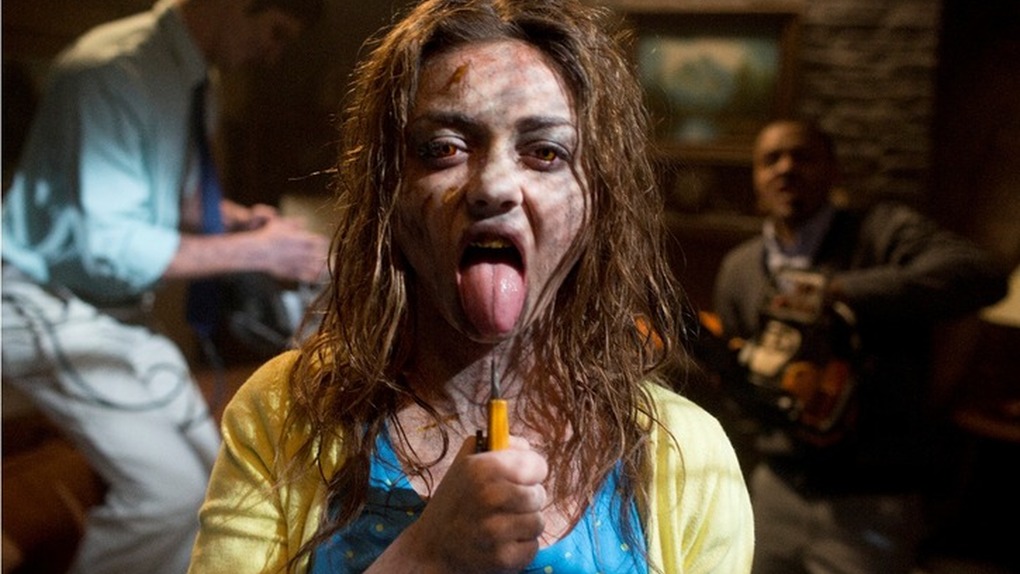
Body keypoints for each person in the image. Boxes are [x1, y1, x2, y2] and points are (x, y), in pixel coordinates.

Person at [187, 0, 755, 572]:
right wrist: (425, 556)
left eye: (545, 153)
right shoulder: (285, 411)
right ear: (389, 191)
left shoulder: (686, 455)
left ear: (597, 203)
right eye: (444, 149)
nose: (493, 186)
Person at [0, 0, 329, 573]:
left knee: (214, 476)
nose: (273, 54)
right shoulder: (112, 71)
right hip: (44, 301)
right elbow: (106, 246)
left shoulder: (195, 76)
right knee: (169, 497)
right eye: (275, 32)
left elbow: (172, 199)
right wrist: (260, 252)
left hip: (111, 310)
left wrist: (241, 223)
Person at [711, 118, 1010, 574]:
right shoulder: (740, 267)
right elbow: (739, 380)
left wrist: (840, 291)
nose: (786, 168)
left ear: (834, 171)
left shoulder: (881, 231)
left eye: (803, 156)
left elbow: (980, 274)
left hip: (871, 498)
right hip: (775, 488)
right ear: (756, 178)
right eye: (771, 160)